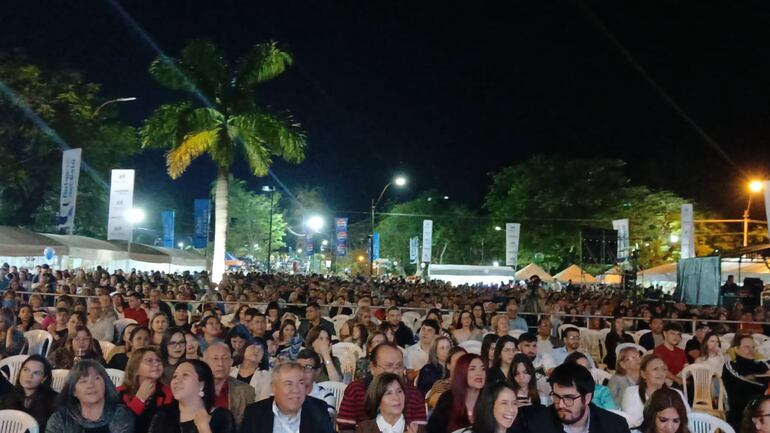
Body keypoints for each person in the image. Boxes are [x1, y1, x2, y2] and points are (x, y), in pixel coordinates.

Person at [338, 342, 427, 431]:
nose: (395, 372)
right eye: (389, 366)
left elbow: (420, 429)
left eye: (399, 366)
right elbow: (345, 428)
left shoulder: (414, 394)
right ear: (373, 368)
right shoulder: (356, 390)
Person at [517, 362, 629, 433]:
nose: (560, 404)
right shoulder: (538, 426)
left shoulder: (615, 427)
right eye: (556, 396)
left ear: (587, 398)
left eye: (569, 398)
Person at [239, 362, 335, 433]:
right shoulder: (255, 413)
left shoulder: (318, 409)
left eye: (301, 383)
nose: (296, 389)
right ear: (274, 388)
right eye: (288, 384)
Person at [46, 360, 135, 433]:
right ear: (74, 391)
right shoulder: (60, 419)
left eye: (97, 378)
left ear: (105, 384)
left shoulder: (121, 415)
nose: (91, 385)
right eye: (83, 381)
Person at [148, 359, 236, 433]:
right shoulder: (163, 414)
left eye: (185, 375)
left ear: (201, 384)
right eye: (174, 376)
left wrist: (204, 428)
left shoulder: (221, 417)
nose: (176, 380)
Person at [621, 354, 689, 429]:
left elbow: (687, 421)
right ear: (643, 374)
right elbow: (631, 424)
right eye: (655, 369)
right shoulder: (631, 392)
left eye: (663, 369)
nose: (660, 373)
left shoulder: (676, 393)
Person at [117, 347, 174, 433]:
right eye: (149, 361)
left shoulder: (168, 393)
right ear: (136, 367)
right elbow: (120, 427)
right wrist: (140, 399)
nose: (156, 364)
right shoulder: (119, 392)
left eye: (158, 360)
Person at [427, 353, 486, 433]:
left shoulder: (489, 398)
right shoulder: (448, 399)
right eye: (472, 369)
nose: (479, 373)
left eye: (483, 369)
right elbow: (433, 430)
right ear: (462, 372)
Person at [203, 342, 256, 429]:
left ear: (231, 362)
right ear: (205, 361)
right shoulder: (194, 388)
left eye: (225, 358)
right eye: (215, 358)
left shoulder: (246, 391)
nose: (220, 363)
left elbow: (249, 426)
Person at [355, 372, 427, 433]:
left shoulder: (417, 430)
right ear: (377, 400)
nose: (396, 398)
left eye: (399, 391)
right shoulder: (364, 429)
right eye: (389, 393)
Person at [0, 354, 58, 429]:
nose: (29, 376)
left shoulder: (53, 401)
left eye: (36, 373)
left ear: (44, 378)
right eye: (26, 370)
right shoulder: (9, 395)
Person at [724, 333, 770, 426]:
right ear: (736, 349)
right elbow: (741, 380)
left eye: (753, 347)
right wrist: (763, 384)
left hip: (763, 403)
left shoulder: (762, 365)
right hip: (741, 411)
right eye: (746, 347)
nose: (751, 350)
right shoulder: (731, 365)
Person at [296, 348, 338, 419]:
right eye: (299, 367)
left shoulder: (326, 396)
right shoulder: (287, 393)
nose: (302, 372)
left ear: (317, 372)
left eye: (308, 368)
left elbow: (326, 420)